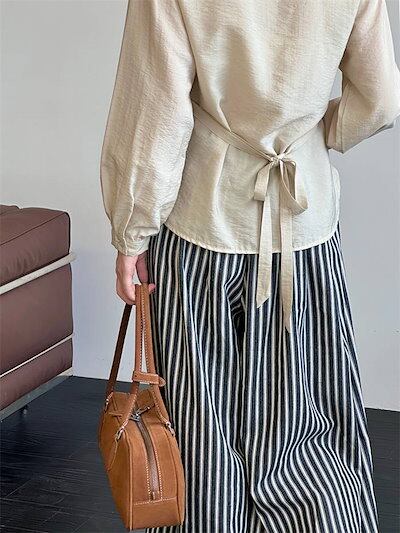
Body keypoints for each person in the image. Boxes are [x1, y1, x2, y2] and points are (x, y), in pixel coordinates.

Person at [100, 1, 400, 531]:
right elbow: (380, 100)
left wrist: (132, 232)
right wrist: (319, 133)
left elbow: (153, 108)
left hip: (203, 225)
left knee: (202, 421)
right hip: (305, 231)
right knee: (306, 420)